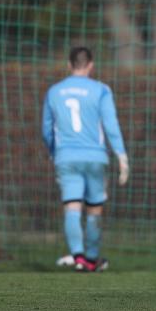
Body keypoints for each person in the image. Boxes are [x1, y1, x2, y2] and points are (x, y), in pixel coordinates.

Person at [42, 47, 128, 272]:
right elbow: (111, 125)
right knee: (94, 209)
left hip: (66, 157)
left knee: (71, 206)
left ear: (69, 65)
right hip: (94, 157)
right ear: (91, 65)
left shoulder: (54, 91)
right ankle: (91, 259)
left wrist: (54, 152)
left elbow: (47, 129)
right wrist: (121, 156)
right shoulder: (100, 90)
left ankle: (78, 257)